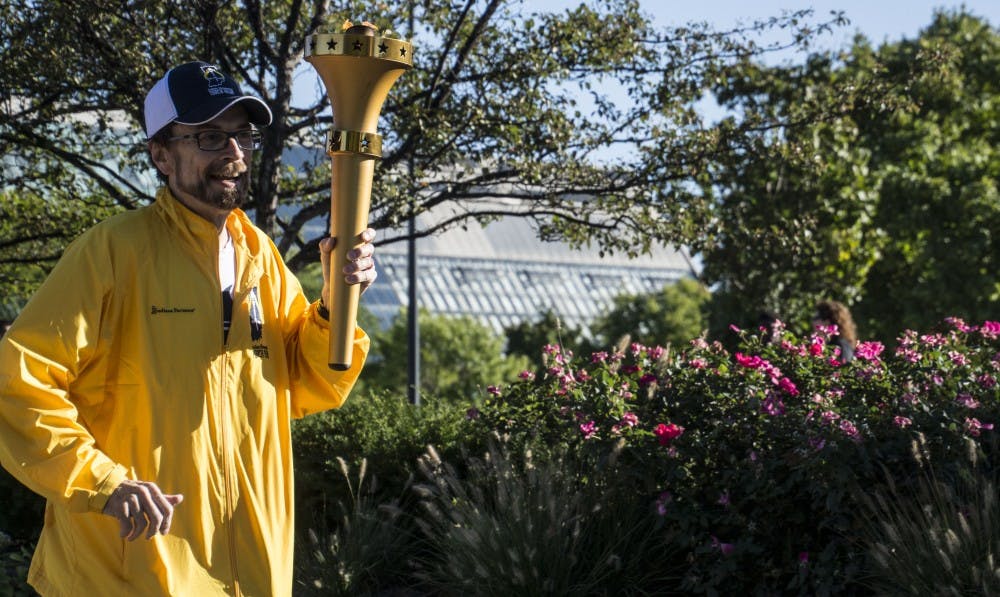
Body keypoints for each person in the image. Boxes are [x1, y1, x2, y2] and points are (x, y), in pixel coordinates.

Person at [0, 61, 377, 596]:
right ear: (161, 154)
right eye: (209, 137)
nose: (233, 153)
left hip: (252, 570)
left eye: (242, 136)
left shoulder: (260, 256)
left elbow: (307, 379)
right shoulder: (111, 252)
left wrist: (339, 302)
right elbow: (18, 385)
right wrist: (103, 483)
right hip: (126, 572)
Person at [813, 299, 857, 364]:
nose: (813, 322)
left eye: (816, 318)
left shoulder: (839, 345)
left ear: (827, 322)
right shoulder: (840, 343)